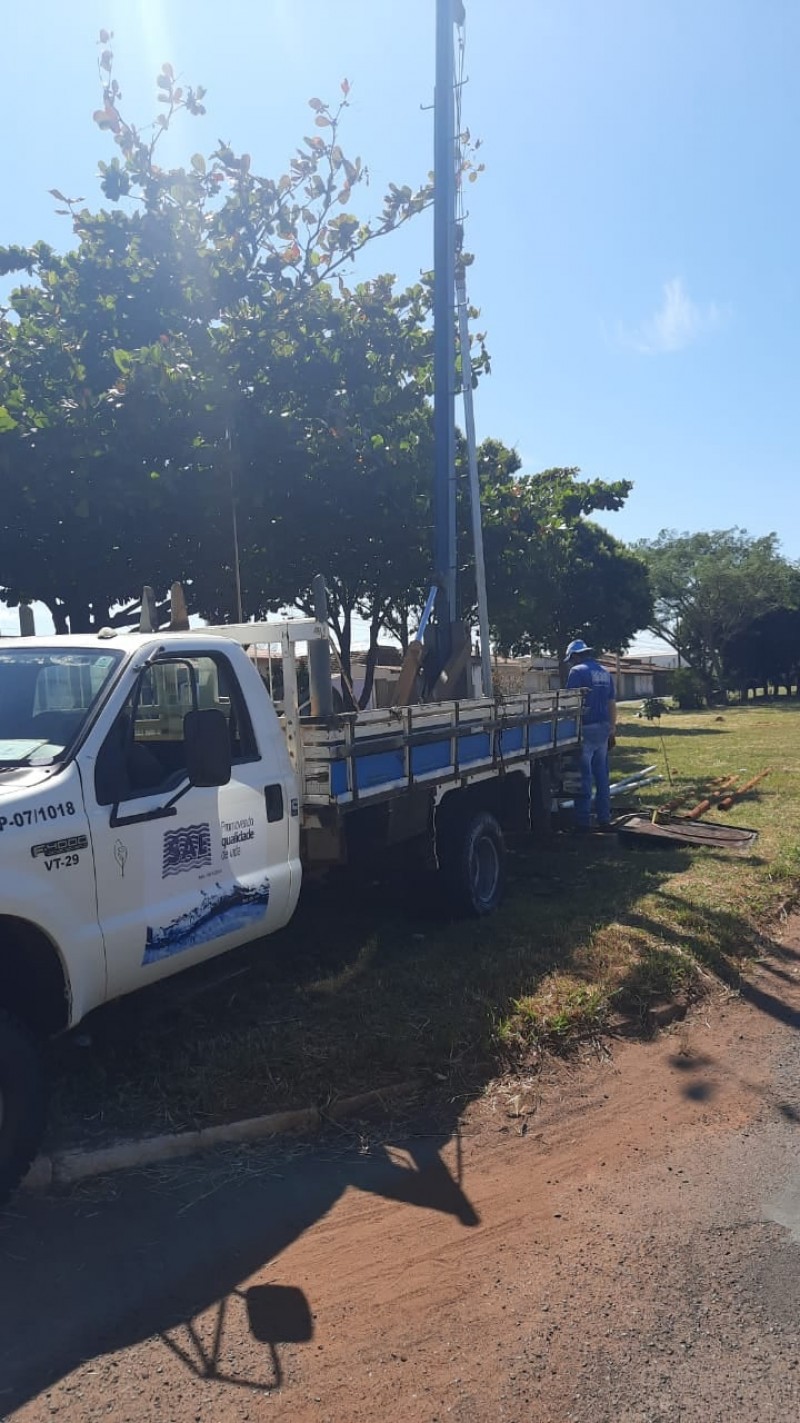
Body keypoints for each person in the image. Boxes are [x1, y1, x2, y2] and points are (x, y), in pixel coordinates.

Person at [564, 639, 617, 832]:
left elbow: (570, 704)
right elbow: (611, 703)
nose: (570, 663)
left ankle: (583, 821)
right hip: (603, 728)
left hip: (585, 729)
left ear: (576, 656)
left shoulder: (577, 672)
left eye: (571, 659)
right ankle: (604, 817)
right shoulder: (604, 672)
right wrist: (612, 728)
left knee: (584, 776)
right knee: (601, 775)